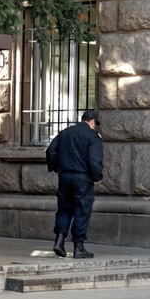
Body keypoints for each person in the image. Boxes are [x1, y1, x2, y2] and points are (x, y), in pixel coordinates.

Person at [46, 109, 103, 259]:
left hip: (65, 176)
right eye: (95, 123)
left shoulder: (65, 132)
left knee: (64, 209)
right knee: (81, 211)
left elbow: (51, 150)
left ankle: (59, 240)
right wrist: (97, 176)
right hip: (83, 178)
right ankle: (79, 248)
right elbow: (94, 160)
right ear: (92, 121)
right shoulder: (93, 136)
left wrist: (56, 168)